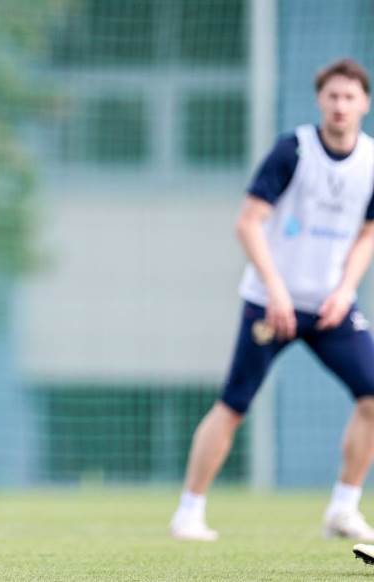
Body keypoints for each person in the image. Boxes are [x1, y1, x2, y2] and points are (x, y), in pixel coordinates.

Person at [171, 58, 374, 542]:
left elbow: (368, 232)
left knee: (372, 396)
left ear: (364, 103)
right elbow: (248, 223)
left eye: (349, 97)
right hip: (271, 304)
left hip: (330, 309)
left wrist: (345, 290)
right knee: (234, 403)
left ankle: (343, 509)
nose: (340, 105)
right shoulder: (293, 150)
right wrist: (276, 290)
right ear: (319, 100)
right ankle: (189, 512)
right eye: (333, 96)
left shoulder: (371, 161)